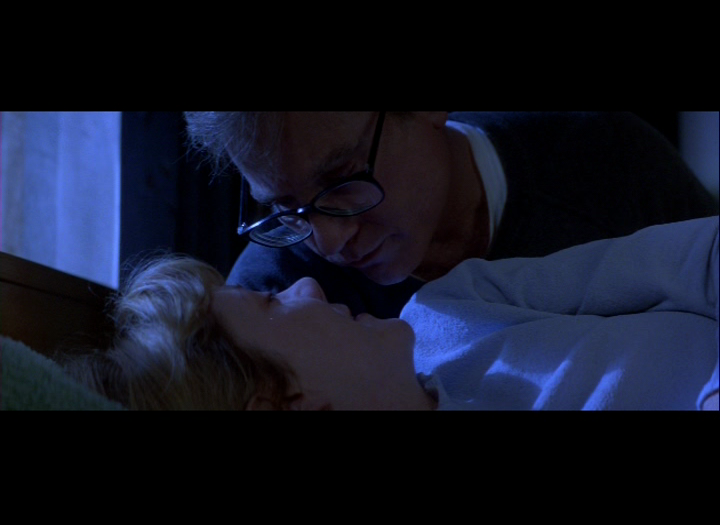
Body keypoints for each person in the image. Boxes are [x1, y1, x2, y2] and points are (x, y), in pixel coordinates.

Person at [62, 217, 719, 410]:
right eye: (270, 301)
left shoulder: (449, 309)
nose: (306, 286)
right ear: (278, 402)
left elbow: (692, 256)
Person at [184, 111, 719, 319]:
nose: (327, 242)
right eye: (284, 206)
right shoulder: (277, 305)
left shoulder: (610, 163)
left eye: (342, 178)